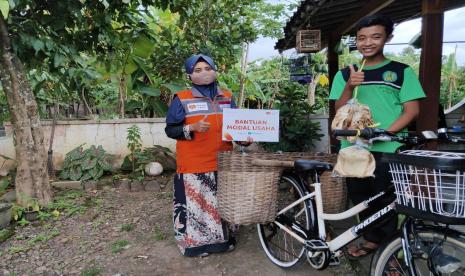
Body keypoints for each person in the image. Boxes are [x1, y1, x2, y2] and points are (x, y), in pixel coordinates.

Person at [329, 15, 426, 259]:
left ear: (387, 38)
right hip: (353, 147)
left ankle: (391, 250)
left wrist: (385, 133)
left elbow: (412, 110)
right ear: (356, 41)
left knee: (388, 200)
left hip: (388, 147)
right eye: (362, 38)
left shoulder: (401, 72)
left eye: (375, 36)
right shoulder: (345, 74)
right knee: (362, 197)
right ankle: (372, 241)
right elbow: (338, 110)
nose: (368, 42)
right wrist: (349, 86)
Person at [165, 54, 246, 257]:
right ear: (190, 75)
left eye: (208, 68)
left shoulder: (227, 97)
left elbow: (236, 126)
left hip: (223, 161)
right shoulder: (182, 98)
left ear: (215, 70)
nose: (204, 73)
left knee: (221, 203)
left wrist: (245, 138)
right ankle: (194, 246)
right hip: (194, 163)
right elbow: (170, 129)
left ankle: (223, 241)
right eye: (198, 70)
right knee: (197, 205)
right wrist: (191, 126)